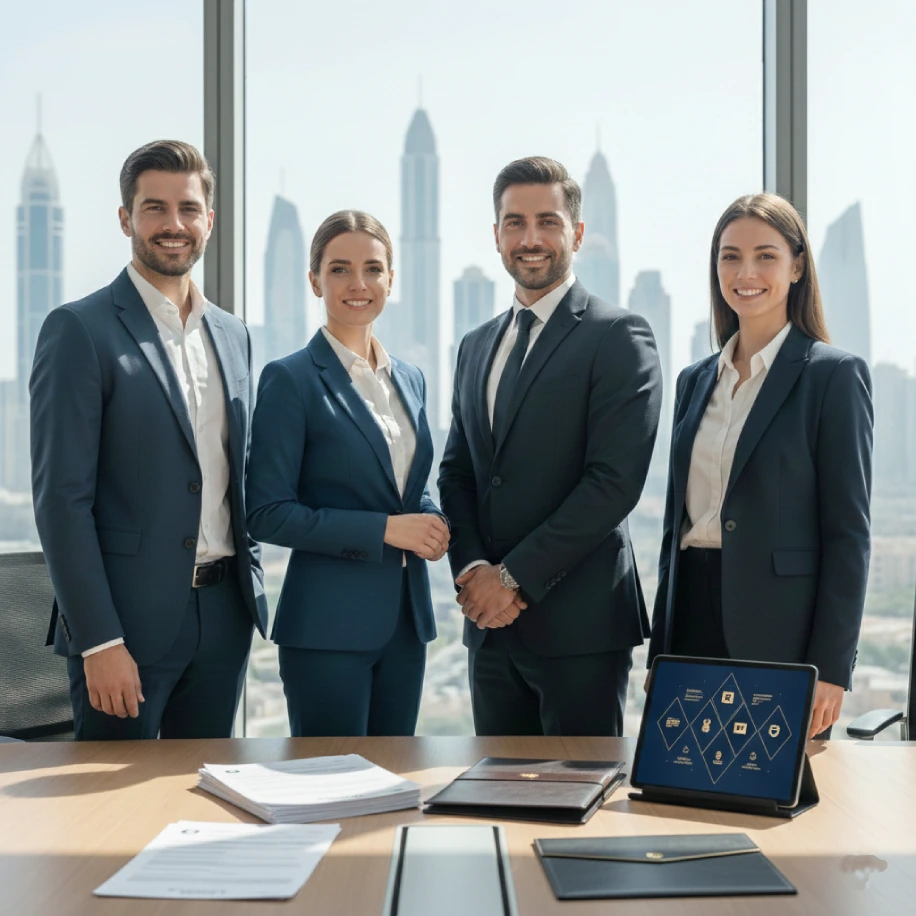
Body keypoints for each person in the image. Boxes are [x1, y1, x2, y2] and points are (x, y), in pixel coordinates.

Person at [30, 140, 268, 740]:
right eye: (154, 208)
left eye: (188, 209)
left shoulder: (232, 334)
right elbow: (62, 501)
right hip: (125, 629)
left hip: (223, 620)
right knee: (112, 820)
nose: (173, 225)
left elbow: (232, 476)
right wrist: (99, 639)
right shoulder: (79, 330)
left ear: (209, 220)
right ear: (125, 219)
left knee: (208, 807)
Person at [438, 157, 662, 737]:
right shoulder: (474, 344)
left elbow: (612, 484)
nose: (530, 239)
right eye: (514, 223)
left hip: (579, 630)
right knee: (495, 798)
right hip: (487, 625)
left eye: (548, 222)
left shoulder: (618, 336)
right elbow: (457, 474)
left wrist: (511, 579)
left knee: (579, 810)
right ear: (496, 235)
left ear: (578, 233)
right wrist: (474, 573)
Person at [648, 192, 873, 740]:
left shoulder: (832, 377)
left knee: (773, 803)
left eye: (765, 256)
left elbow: (849, 536)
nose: (745, 272)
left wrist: (831, 668)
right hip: (690, 621)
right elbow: (674, 527)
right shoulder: (695, 381)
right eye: (730, 256)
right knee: (684, 788)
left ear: (797, 266)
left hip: (779, 628)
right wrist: (660, 650)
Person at [246, 210, 449, 737]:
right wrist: (384, 530)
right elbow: (267, 513)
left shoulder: (411, 378)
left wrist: (429, 519)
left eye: (372, 269)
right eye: (339, 269)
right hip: (326, 629)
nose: (358, 284)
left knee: (394, 789)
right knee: (330, 789)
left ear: (390, 279)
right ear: (314, 279)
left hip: (406, 624)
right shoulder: (289, 379)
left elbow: (406, 484)